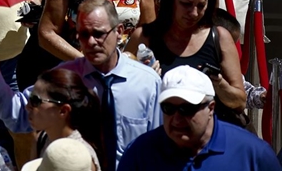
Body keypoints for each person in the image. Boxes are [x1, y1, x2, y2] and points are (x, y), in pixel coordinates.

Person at [125, 0, 246, 120]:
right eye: (186, 4)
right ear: (171, 0)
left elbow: (239, 102)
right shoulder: (144, 37)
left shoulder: (220, 38)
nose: (194, 13)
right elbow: (121, 90)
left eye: (201, 5)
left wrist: (219, 84)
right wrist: (142, 78)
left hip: (208, 136)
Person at [58, 0, 162, 170]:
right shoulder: (65, 78)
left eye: (98, 34)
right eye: (84, 35)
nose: (91, 42)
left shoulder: (147, 83)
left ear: (119, 31)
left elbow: (159, 146)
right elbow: (21, 112)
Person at [117, 65, 279, 171]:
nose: (177, 118)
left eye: (187, 109)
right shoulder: (140, 152)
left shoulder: (252, 154)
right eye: (168, 108)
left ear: (211, 108)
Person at [0, 61, 103, 170]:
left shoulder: (79, 157)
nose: (27, 106)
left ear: (63, 111)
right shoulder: (41, 138)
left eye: (35, 101)